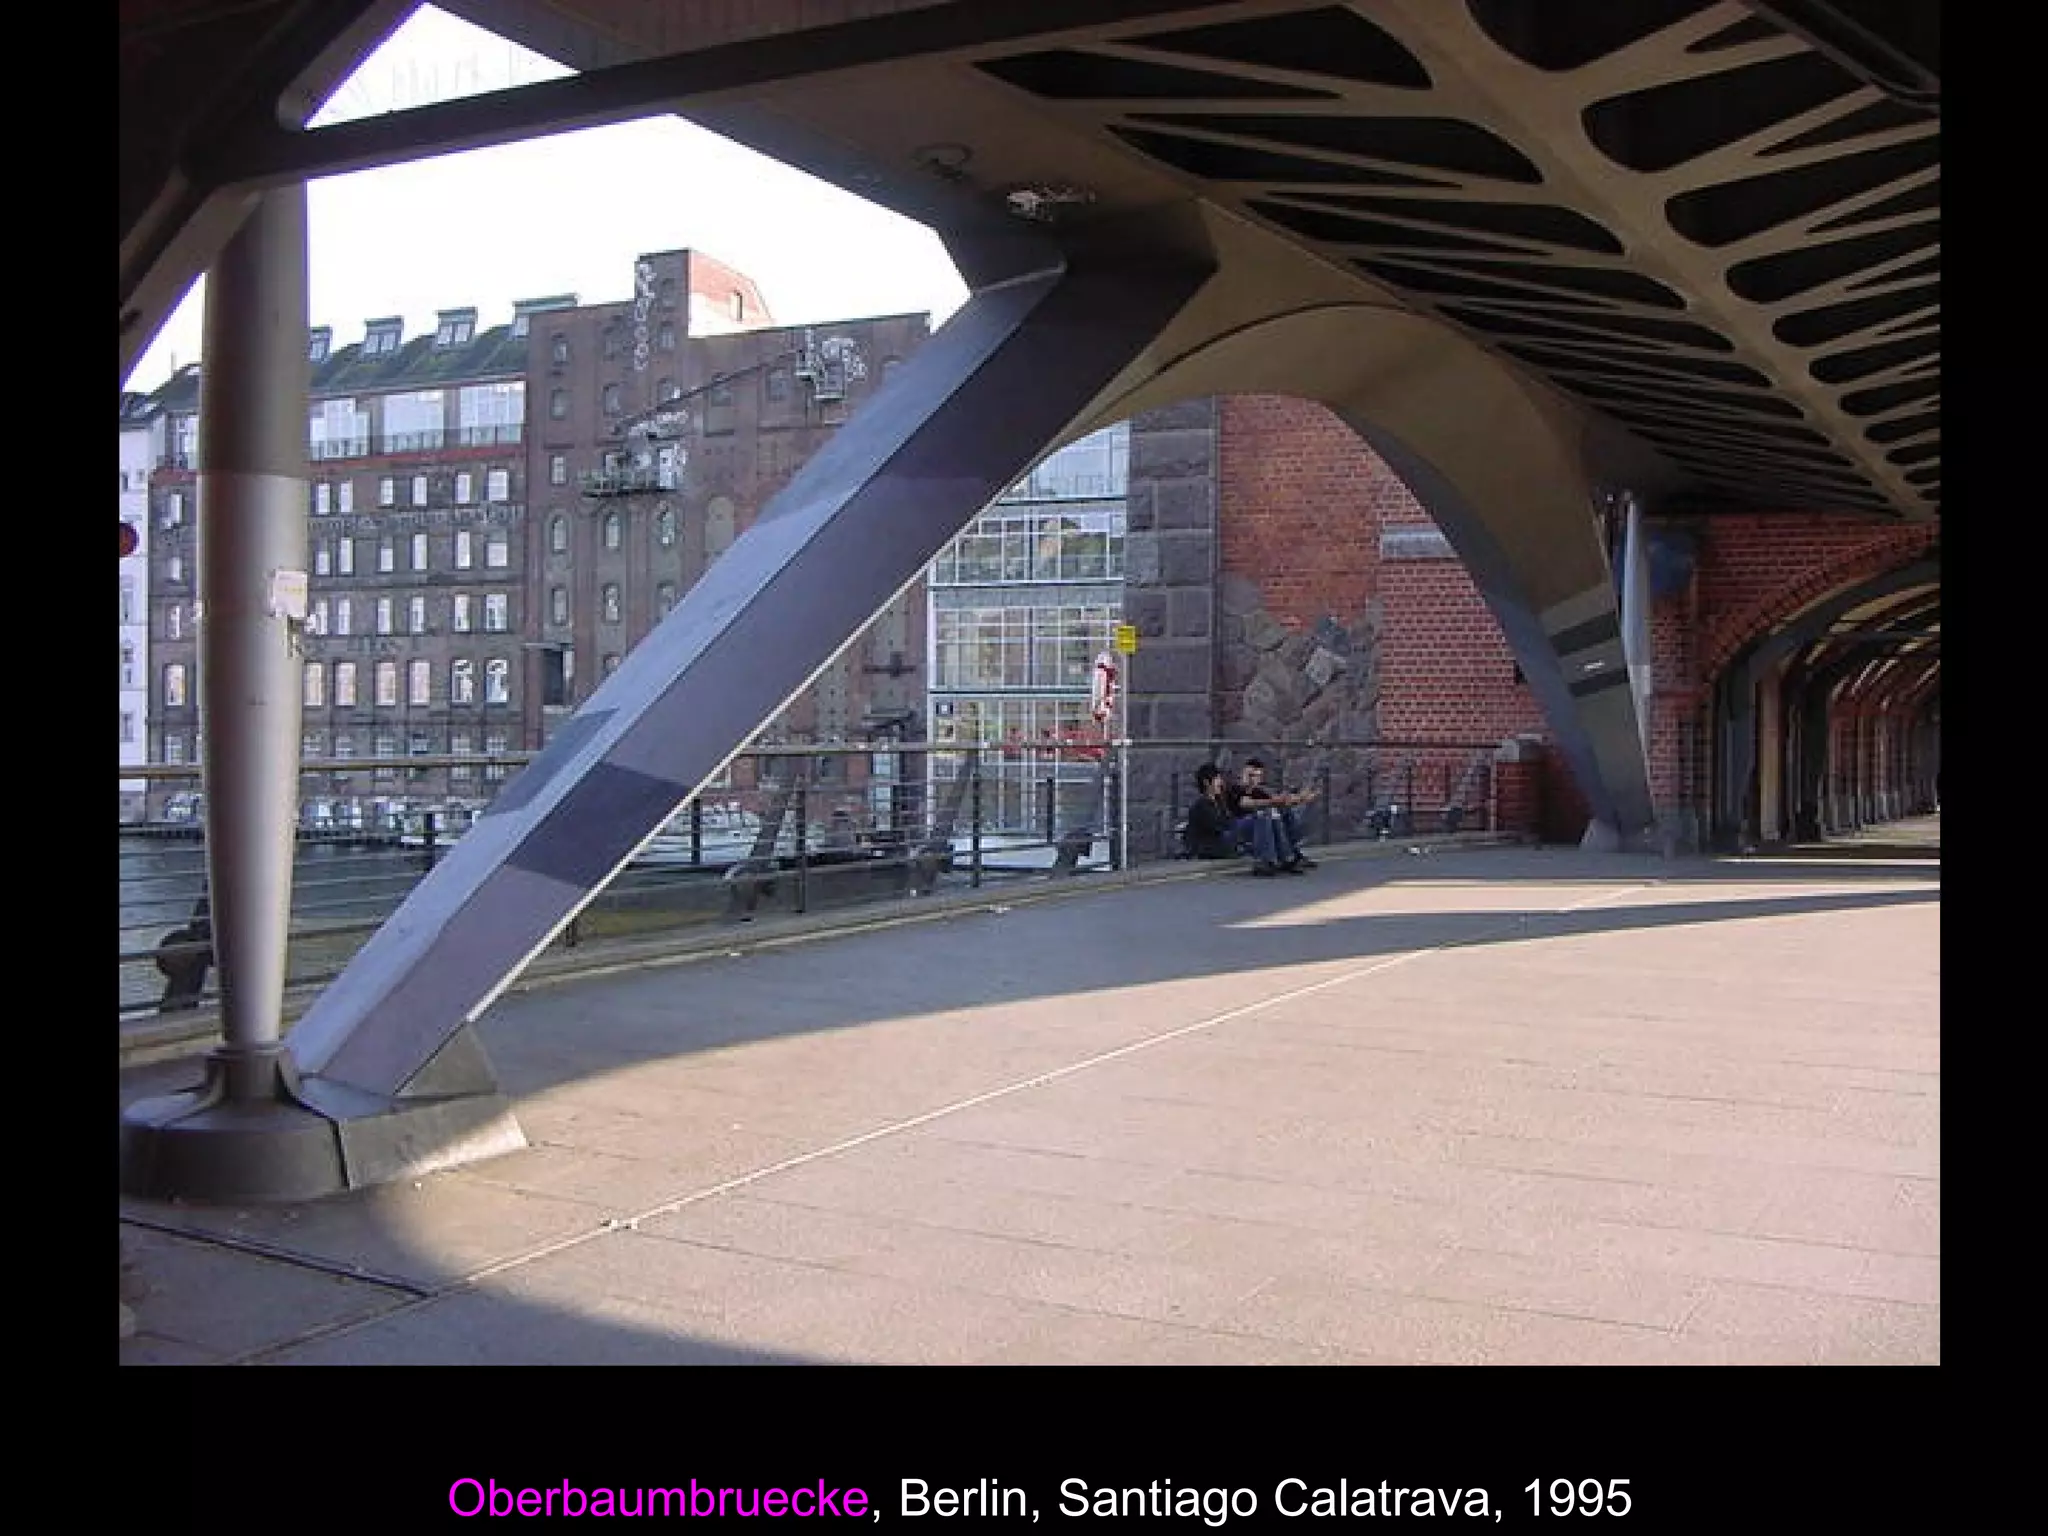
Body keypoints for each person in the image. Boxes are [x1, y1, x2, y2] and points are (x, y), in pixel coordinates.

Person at [1228, 758, 1317, 874]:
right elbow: (1245, 803)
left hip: (1261, 827)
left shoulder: (1259, 792)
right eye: (1250, 775)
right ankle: (1265, 860)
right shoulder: (1235, 789)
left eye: (1257, 776)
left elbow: (1278, 802)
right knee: (1264, 813)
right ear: (1243, 774)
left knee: (1282, 812)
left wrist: (1300, 799)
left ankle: (1289, 855)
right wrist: (1273, 802)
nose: (1252, 779)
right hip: (1239, 827)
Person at [1183, 763, 1245, 860]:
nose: (1220, 783)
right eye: (1217, 779)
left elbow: (1229, 821)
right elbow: (1219, 826)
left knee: (1262, 817)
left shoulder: (1218, 803)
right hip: (1211, 847)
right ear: (1206, 782)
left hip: (1222, 842)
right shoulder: (1201, 805)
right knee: (1254, 821)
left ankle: (1274, 859)